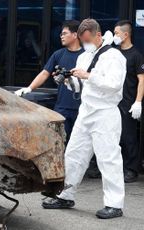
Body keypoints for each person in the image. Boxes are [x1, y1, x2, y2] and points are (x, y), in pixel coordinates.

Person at [42, 19, 126, 219]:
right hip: (86, 111)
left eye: (88, 40)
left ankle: (114, 204)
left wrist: (88, 76)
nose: (85, 43)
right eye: (83, 40)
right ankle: (65, 195)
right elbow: (80, 87)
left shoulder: (114, 56)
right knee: (74, 154)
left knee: (108, 158)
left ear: (98, 35)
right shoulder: (85, 56)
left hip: (105, 112)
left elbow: (113, 84)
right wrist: (68, 80)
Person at [15, 20, 83, 142]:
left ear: (75, 35)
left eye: (64, 33)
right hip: (62, 108)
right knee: (58, 142)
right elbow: (45, 73)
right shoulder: (58, 54)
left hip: (82, 108)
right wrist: (29, 88)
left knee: (79, 145)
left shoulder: (86, 55)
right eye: (61, 34)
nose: (61, 36)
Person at [113, 20, 144, 183]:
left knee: (128, 137)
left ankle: (131, 169)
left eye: (117, 33)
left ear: (126, 34)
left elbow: (142, 79)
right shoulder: (114, 53)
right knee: (113, 137)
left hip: (128, 102)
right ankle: (116, 168)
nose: (114, 36)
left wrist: (138, 102)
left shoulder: (136, 55)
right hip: (113, 102)